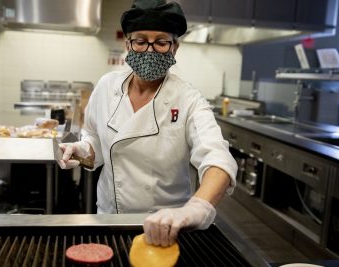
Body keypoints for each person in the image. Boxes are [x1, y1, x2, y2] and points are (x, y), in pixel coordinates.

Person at [59, 0, 238, 247]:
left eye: (161, 42)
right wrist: (82, 151)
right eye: (141, 41)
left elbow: (218, 158)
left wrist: (196, 208)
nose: (150, 50)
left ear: (175, 47)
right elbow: (94, 138)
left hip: (166, 228)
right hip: (108, 219)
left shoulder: (188, 99)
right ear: (128, 44)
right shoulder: (106, 87)